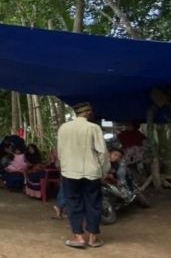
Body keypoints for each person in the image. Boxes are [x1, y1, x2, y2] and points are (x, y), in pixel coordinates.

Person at [57, 102, 109, 249]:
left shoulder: (64, 128)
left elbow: (60, 152)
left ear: (76, 113)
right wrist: (104, 170)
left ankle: (78, 237)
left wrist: (64, 167)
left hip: (70, 172)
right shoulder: (94, 128)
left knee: (73, 203)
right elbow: (102, 152)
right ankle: (93, 238)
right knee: (93, 203)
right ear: (88, 113)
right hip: (91, 172)